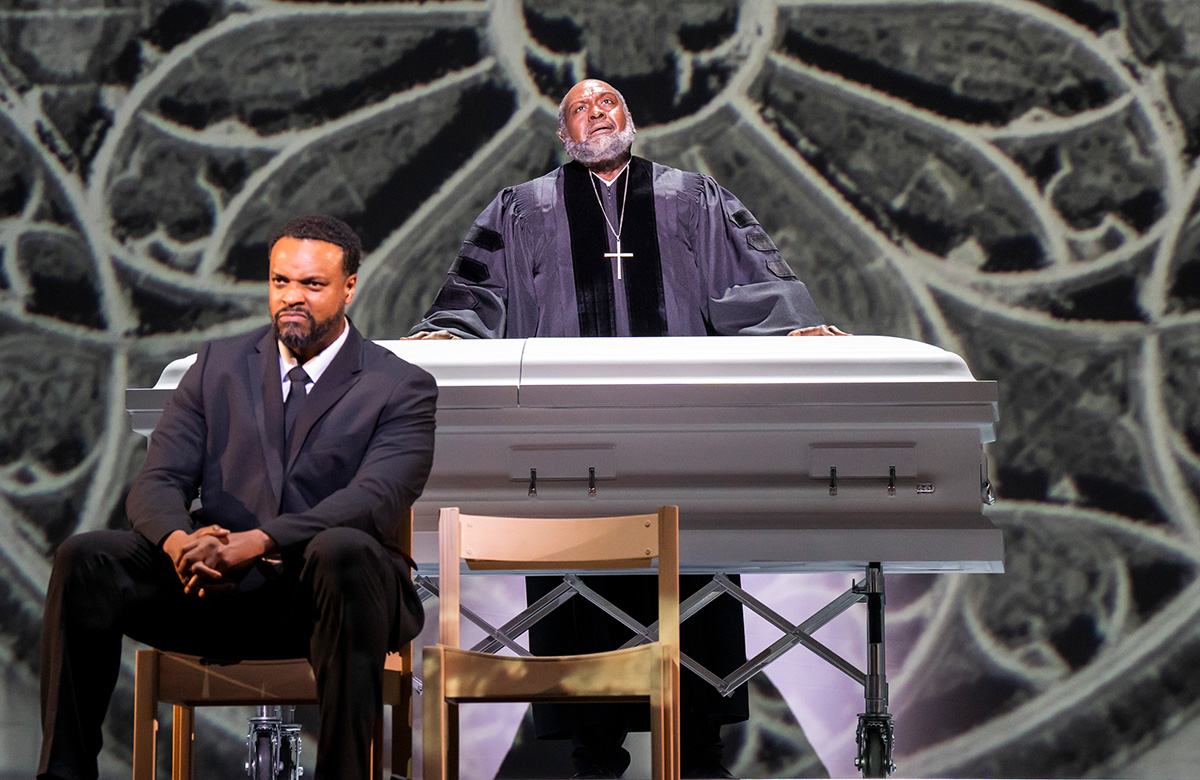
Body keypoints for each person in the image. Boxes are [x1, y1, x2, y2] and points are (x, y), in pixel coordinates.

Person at [408, 79, 845, 779]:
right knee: (578, 578)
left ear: (631, 120)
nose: (597, 113)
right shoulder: (523, 208)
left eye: (608, 102)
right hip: (566, 438)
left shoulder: (693, 198)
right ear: (563, 135)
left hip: (682, 431)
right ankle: (593, 757)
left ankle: (701, 754)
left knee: (691, 581)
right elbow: (479, 290)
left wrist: (792, 325)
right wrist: (449, 330)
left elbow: (747, 279)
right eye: (581, 108)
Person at [39, 215, 438, 780]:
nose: (292, 299)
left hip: (327, 600)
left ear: (350, 286)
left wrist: (259, 541)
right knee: (86, 559)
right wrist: (184, 545)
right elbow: (157, 483)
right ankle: (62, 774)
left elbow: (376, 498)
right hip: (215, 592)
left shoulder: (399, 385)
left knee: (344, 549)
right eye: (280, 282)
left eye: (312, 285)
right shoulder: (215, 367)